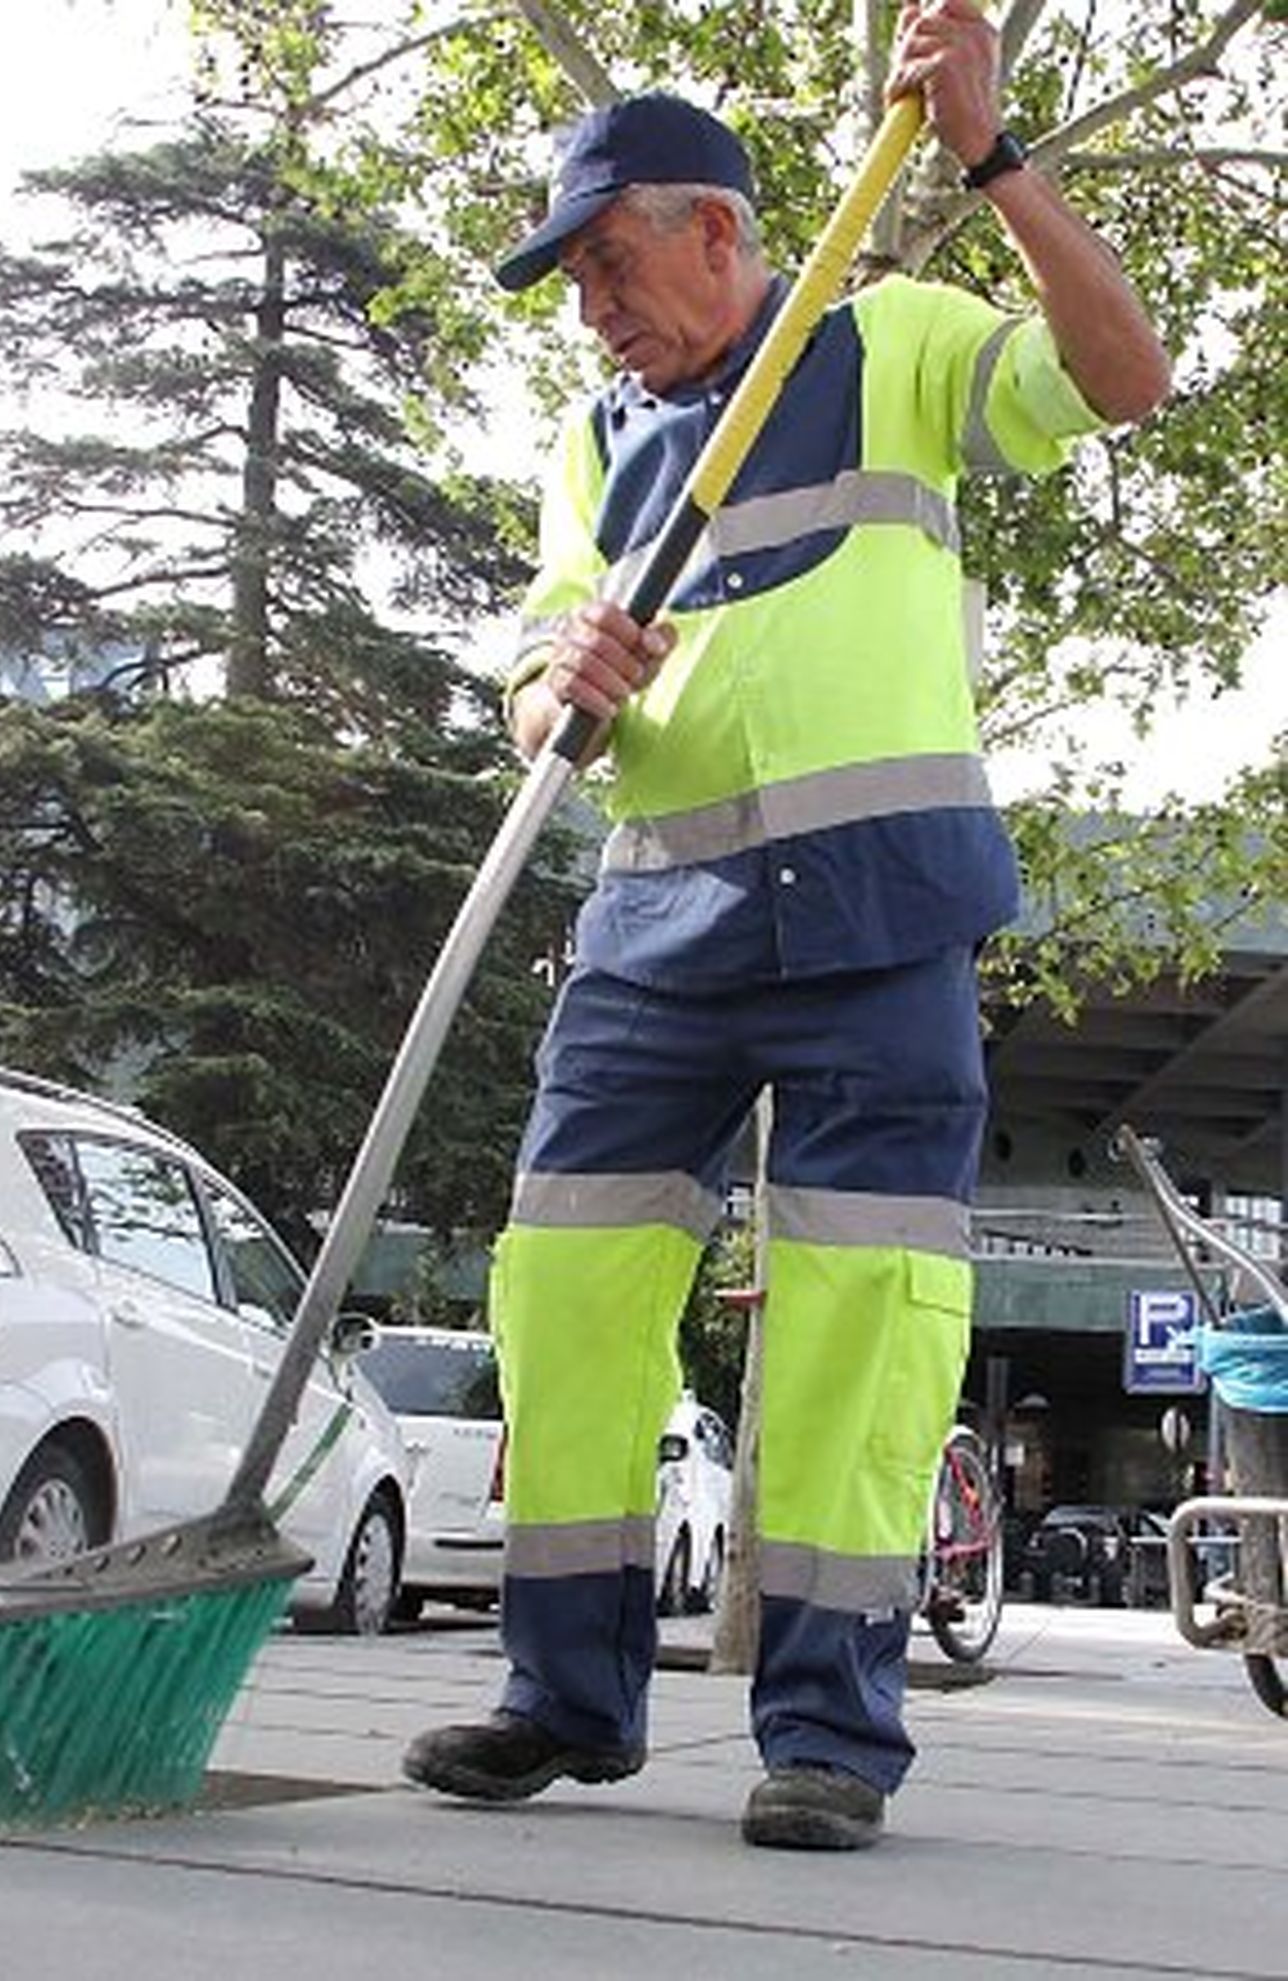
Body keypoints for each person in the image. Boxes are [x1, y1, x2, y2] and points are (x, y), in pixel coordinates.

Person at [402, 0, 1170, 1850]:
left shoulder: (888, 343)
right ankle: (563, 1696)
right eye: (573, 275)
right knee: (569, 1285)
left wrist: (991, 155)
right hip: (654, 935)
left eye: (608, 260)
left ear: (721, 232)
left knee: (855, 1320)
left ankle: (829, 1731)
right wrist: (554, 686)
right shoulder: (591, 453)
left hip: (885, 926)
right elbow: (537, 687)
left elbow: (1127, 375)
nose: (590, 304)